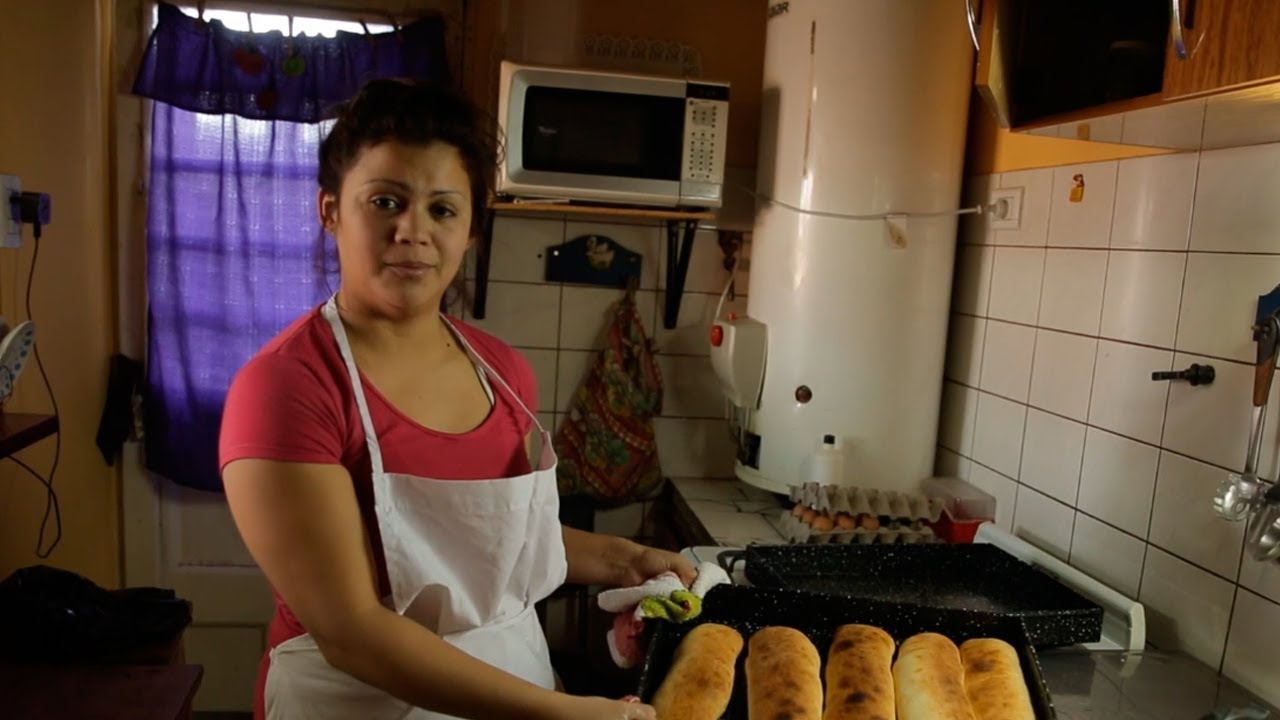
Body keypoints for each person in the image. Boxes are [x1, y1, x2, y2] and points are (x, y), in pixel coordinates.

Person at [219, 78, 694, 720]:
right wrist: (568, 713)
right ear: (330, 210)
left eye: (443, 209)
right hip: (359, 701)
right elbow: (351, 631)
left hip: (513, 684)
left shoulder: (503, 373)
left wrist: (625, 560)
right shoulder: (285, 387)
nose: (413, 231)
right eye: (385, 201)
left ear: (471, 227)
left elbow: (492, 548)